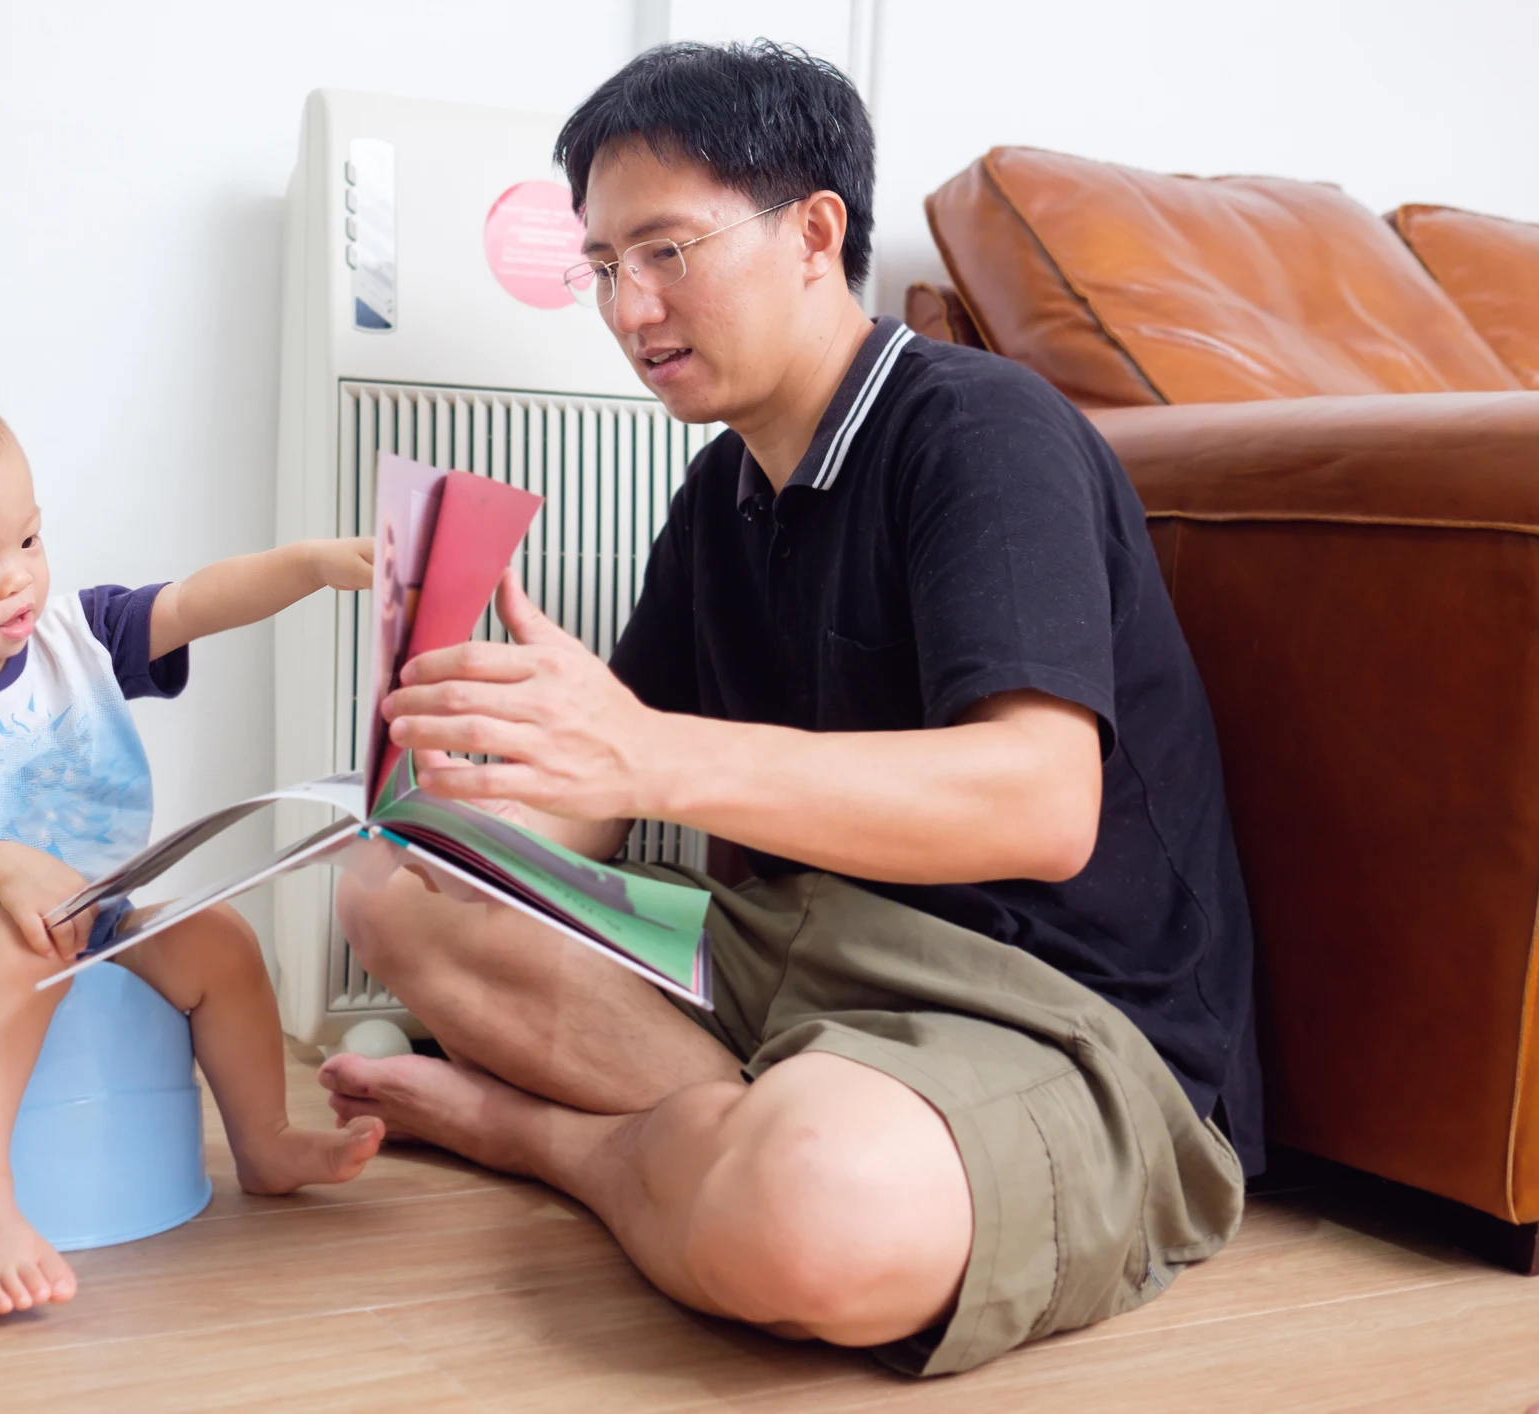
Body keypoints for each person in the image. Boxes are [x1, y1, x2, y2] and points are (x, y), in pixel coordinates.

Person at [318, 41, 1261, 1377]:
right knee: (382, 887)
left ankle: (546, 1134)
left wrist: (641, 752)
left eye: (665, 251)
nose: (628, 307)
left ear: (816, 231)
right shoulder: (721, 495)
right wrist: (486, 790)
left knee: (814, 1209)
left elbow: (1042, 805)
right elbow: (604, 795)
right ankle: (715, 1139)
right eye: (599, 269)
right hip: (793, 954)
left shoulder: (982, 434)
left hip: (1042, 1006)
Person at [0, 350, 384, 1317]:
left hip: (88, 922)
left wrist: (311, 566)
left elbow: (197, 599)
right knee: (14, 938)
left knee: (219, 942)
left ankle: (266, 1142)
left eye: (27, 539)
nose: (17, 579)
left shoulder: (72, 637)